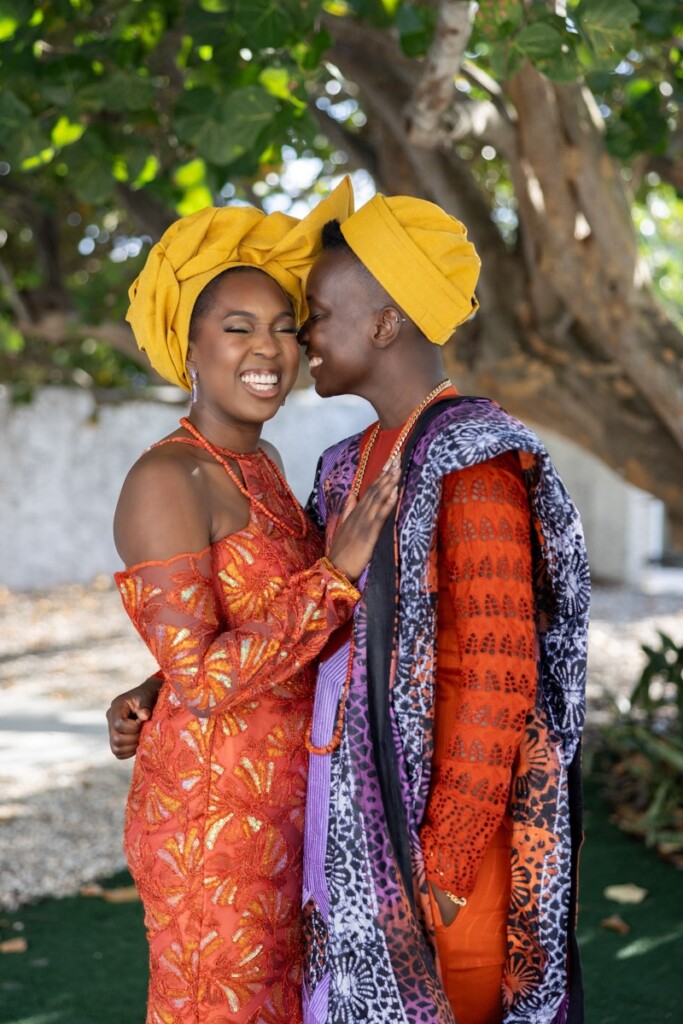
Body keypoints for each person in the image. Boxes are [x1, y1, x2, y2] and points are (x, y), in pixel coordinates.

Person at [109, 191, 589, 1024]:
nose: (292, 344)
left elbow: (497, 671)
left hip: (398, 835)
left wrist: (443, 860)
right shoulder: (325, 466)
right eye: (247, 327)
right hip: (282, 824)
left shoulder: (458, 464)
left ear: (382, 324)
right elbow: (290, 608)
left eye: (306, 319)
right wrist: (168, 681)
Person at [109, 181, 400, 1024]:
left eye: (283, 325)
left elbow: (210, 640)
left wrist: (148, 689)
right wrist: (335, 571)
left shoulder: (261, 464)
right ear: (188, 347)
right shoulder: (169, 478)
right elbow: (205, 678)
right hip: (209, 824)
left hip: (283, 805)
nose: (267, 347)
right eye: (237, 328)